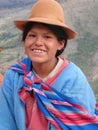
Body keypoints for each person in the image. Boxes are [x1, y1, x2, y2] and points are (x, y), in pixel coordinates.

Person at [0, 0, 98, 130]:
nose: (38, 42)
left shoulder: (73, 80)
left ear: (60, 44)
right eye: (32, 35)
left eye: (47, 37)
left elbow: (80, 125)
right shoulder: (14, 76)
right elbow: (5, 122)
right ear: (24, 40)